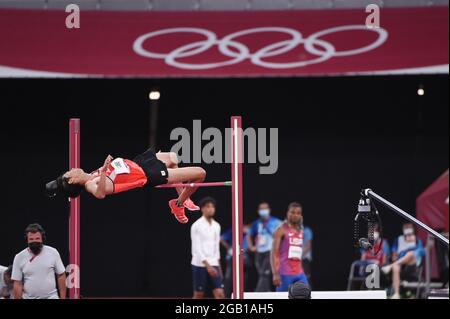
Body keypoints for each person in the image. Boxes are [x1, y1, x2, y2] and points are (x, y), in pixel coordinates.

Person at [46, 150, 205, 224]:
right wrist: (105, 167)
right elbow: (100, 194)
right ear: (73, 181)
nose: (72, 169)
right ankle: (178, 204)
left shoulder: (90, 175)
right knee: (200, 173)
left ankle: (183, 200)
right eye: (69, 173)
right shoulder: (90, 185)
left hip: (138, 163)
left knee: (173, 157)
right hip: (147, 174)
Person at [11, 224, 66, 299]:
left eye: (37, 238)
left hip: (51, 297)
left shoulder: (53, 252)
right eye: (31, 239)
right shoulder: (19, 257)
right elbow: (17, 283)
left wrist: (63, 298)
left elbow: (61, 275)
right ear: (27, 240)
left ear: (42, 239)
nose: (34, 241)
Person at [190, 197, 225, 299]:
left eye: (212, 207)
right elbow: (196, 248)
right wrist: (208, 266)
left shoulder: (216, 226)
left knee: (220, 294)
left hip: (214, 263)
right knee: (199, 294)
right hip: (199, 264)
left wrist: (219, 268)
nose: (211, 209)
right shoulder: (196, 225)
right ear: (202, 209)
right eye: (208, 206)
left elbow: (216, 247)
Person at [271, 202, 309, 292]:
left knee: (306, 294)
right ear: (287, 213)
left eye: (298, 213)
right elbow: (273, 253)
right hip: (285, 274)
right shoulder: (281, 230)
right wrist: (275, 273)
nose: (295, 215)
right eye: (292, 212)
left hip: (300, 273)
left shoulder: (301, 230)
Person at [382, 223, 425, 299]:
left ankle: (390, 266)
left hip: (413, 267)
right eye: (406, 227)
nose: (408, 229)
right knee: (395, 266)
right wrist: (399, 255)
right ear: (403, 229)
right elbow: (394, 257)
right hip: (401, 266)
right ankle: (396, 294)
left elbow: (421, 253)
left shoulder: (417, 240)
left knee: (411, 254)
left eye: (409, 227)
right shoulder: (399, 240)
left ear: (413, 229)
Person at [247, 201, 282, 292]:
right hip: (259, 251)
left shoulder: (276, 221)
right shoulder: (256, 223)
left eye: (265, 208)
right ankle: (266, 291)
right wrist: (251, 246)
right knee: (262, 273)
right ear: (258, 211)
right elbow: (249, 234)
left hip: (270, 251)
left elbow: (283, 233)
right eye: (261, 209)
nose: (263, 210)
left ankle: (258, 292)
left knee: (265, 272)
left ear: (269, 210)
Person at [220, 224, 250, 297]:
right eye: (247, 227)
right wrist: (229, 248)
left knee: (243, 278)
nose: (248, 229)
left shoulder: (248, 234)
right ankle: (226, 296)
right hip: (232, 257)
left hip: (244, 258)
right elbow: (221, 238)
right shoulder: (233, 231)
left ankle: (241, 295)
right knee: (229, 278)